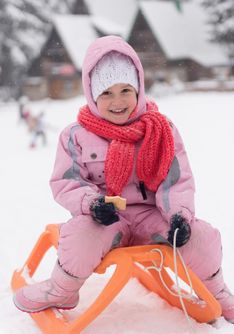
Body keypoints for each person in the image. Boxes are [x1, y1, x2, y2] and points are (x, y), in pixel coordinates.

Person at [13, 35, 234, 323]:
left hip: (151, 215)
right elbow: (66, 182)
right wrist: (92, 204)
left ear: (139, 89)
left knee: (201, 235)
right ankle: (62, 289)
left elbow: (176, 180)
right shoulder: (75, 135)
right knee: (79, 234)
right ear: (92, 94)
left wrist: (179, 214)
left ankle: (217, 293)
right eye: (106, 93)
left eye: (125, 90)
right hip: (104, 218)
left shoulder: (161, 130)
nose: (118, 102)